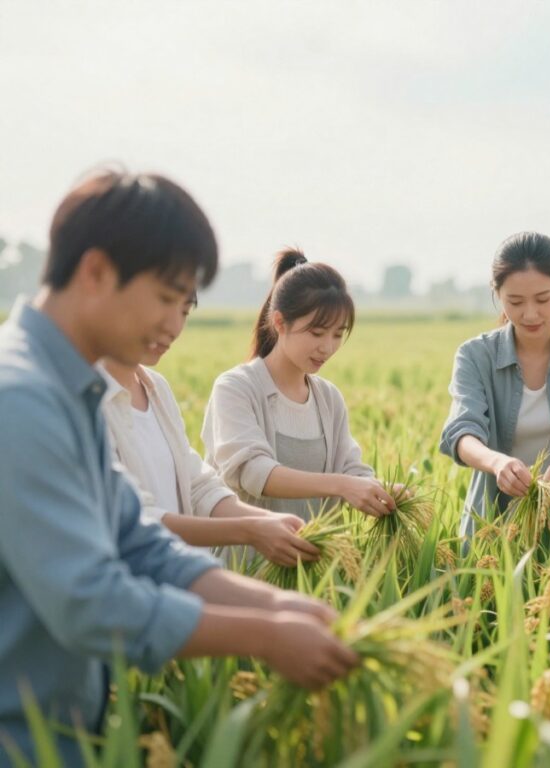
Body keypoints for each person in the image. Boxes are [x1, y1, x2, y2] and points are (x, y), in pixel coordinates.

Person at [0, 171, 358, 767]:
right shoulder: (22, 399)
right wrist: (266, 636)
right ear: (96, 273)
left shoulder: (70, 386)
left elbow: (136, 541)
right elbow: (90, 600)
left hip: (62, 728)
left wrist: (274, 606)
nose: (175, 323)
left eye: (185, 305)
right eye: (167, 298)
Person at [98, 291, 321, 567]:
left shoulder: (156, 389)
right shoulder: (86, 402)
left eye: (185, 311)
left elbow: (198, 486)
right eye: (163, 304)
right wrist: (251, 532)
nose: (174, 328)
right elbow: (134, 517)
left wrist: (270, 521)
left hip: (184, 580)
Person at [439, 231, 550, 537]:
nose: (530, 314)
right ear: (496, 294)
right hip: (493, 528)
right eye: (515, 301)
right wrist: (497, 463)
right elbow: (462, 432)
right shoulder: (475, 355)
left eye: (543, 299)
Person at [202, 249, 397, 521]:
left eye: (338, 334)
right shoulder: (236, 388)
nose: (327, 347)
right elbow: (252, 472)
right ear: (280, 322)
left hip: (319, 559)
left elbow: (351, 470)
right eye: (316, 333)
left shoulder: (328, 398)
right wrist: (342, 485)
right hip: (247, 559)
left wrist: (387, 491)